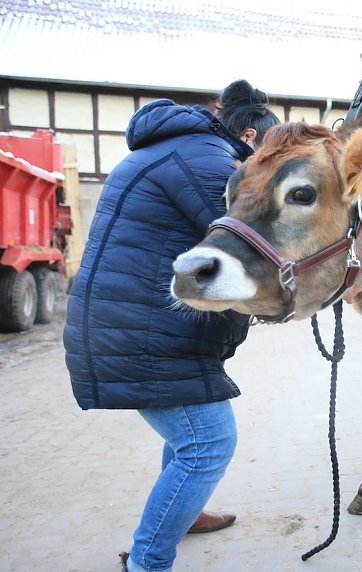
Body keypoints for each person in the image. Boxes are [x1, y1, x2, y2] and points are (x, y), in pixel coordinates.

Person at [63, 80, 279, 572]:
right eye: (267, 159)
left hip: (138, 323)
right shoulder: (208, 161)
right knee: (207, 442)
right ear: (248, 137)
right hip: (139, 330)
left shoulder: (185, 147)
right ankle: (148, 561)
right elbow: (249, 246)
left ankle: (186, 514)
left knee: (188, 436)